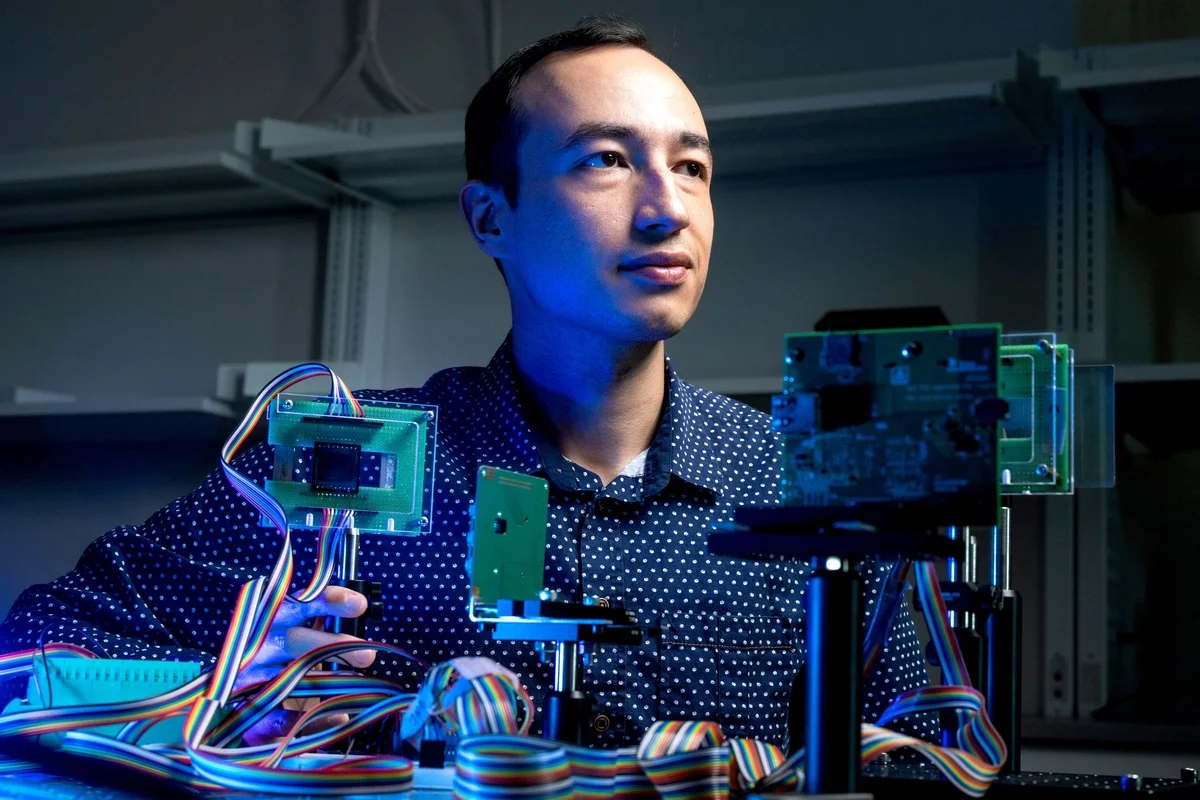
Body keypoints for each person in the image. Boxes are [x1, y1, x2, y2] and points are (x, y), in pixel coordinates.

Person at [0, 15, 934, 749]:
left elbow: (934, 739)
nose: (667, 209)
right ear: (491, 217)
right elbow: (36, 648)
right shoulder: (346, 461)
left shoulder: (810, 487)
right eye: (608, 161)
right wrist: (240, 686)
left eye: (692, 167)